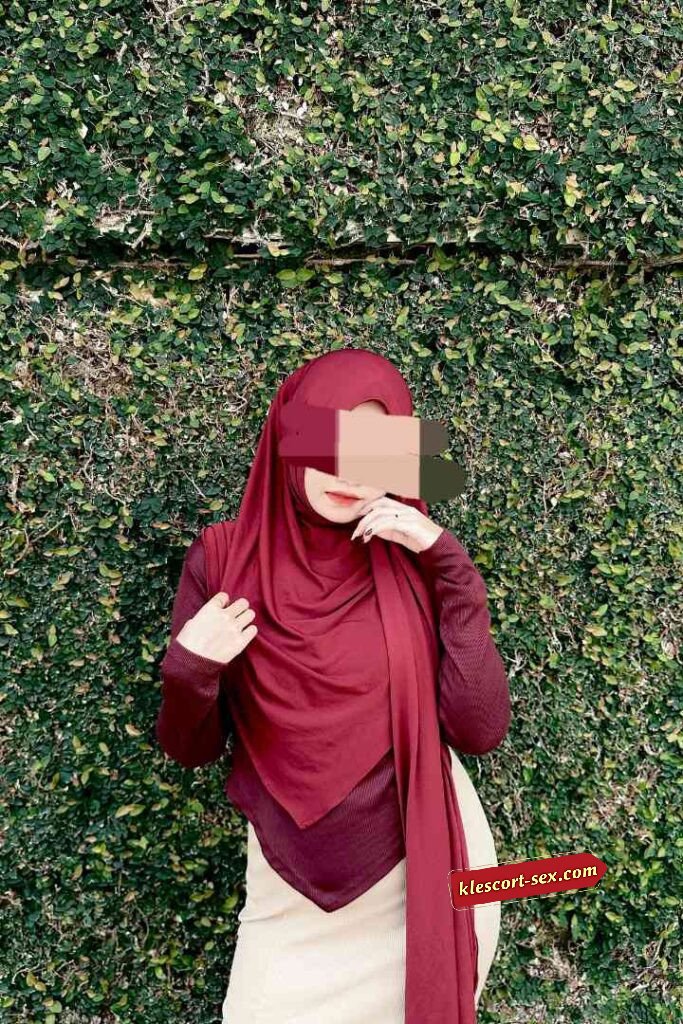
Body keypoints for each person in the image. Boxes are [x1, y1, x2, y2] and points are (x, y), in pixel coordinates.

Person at [156, 347, 511, 1024]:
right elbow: (191, 749)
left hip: (421, 872)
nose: (349, 474)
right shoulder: (224, 558)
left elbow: (478, 730)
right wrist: (189, 671)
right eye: (330, 444)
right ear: (290, 440)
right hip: (288, 889)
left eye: (371, 451)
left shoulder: (415, 560)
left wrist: (454, 574)